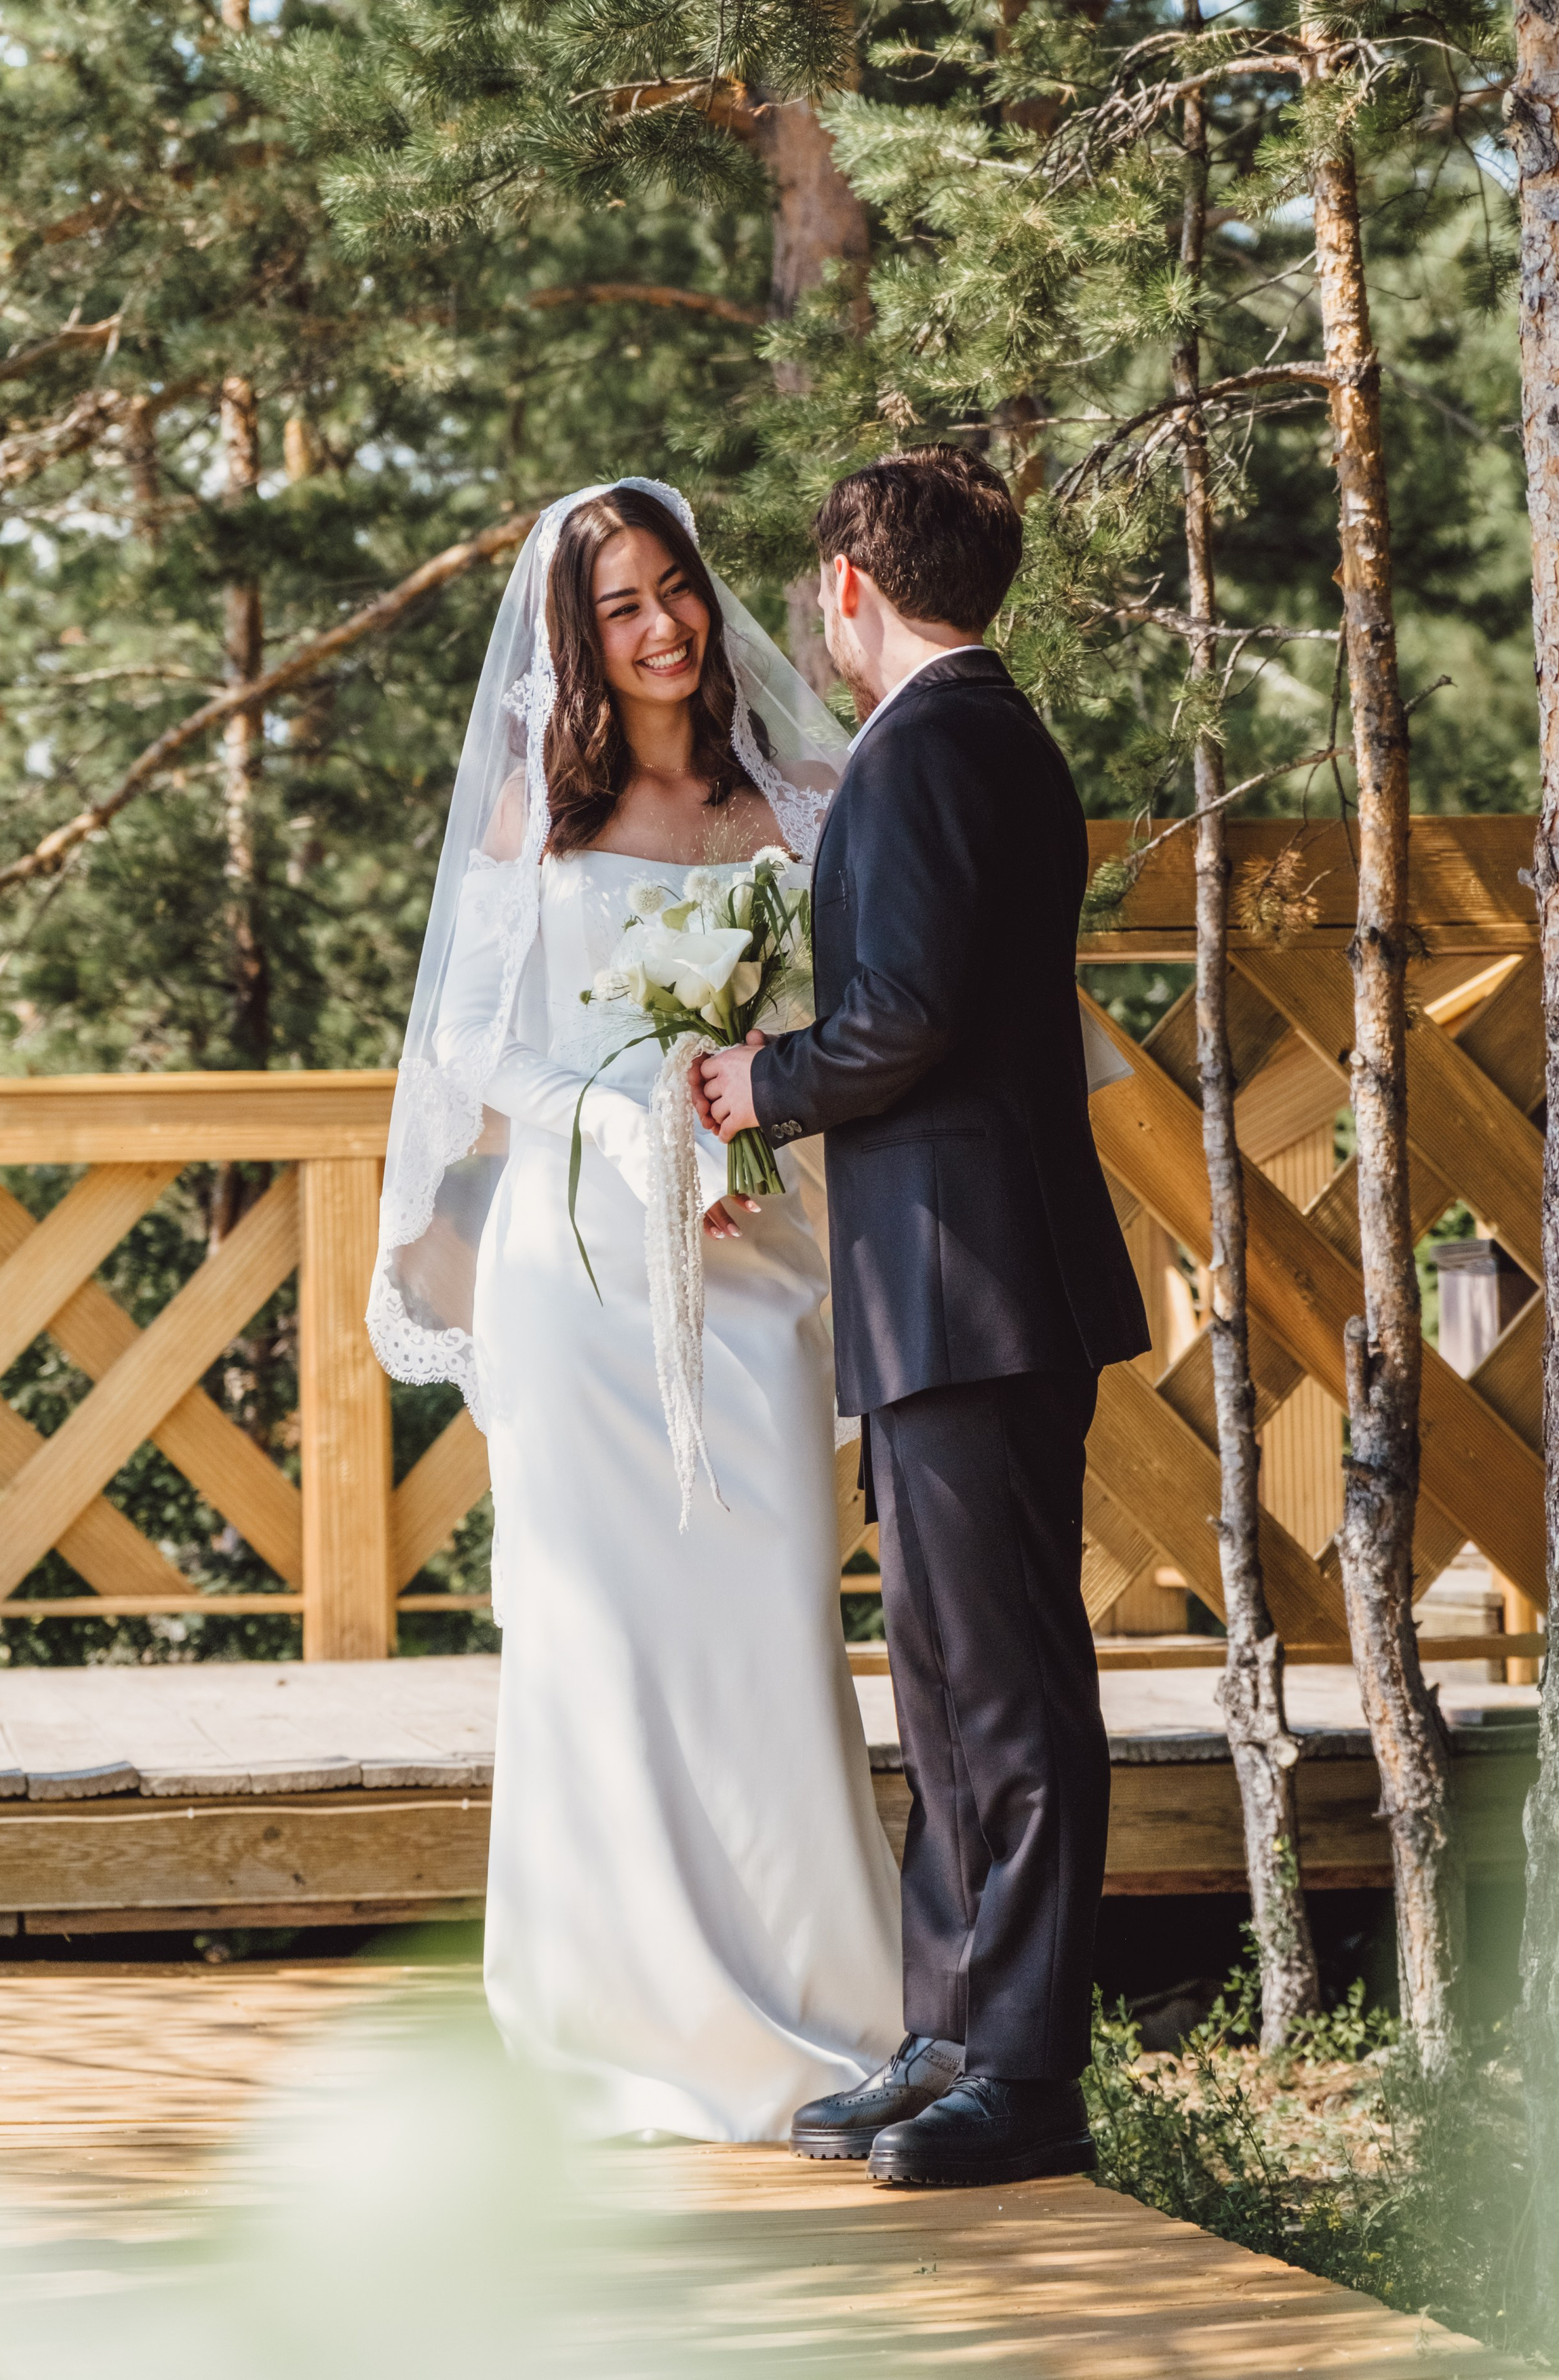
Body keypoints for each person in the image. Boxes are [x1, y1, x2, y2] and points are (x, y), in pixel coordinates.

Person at [366, 479, 903, 2141]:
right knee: (595, 1645)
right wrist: (633, 1125)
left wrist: (755, 1113)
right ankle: (611, 2014)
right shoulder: (536, 807)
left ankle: (825, 2010)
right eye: (621, 608)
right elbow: (471, 1052)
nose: (663, 625)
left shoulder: (797, 798)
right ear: (574, 641)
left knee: (760, 1625)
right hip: (580, 1277)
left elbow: (872, 1014)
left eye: (676, 591)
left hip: (745, 1270)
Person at [696, 446, 1149, 2188]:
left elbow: (902, 1022)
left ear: (846, 591)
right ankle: (950, 2033)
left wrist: (756, 1082)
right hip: (944, 1282)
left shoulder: (937, 745)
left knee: (1009, 1689)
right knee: (951, 1682)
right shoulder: (964, 737)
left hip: (978, 1278)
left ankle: (1025, 2082)